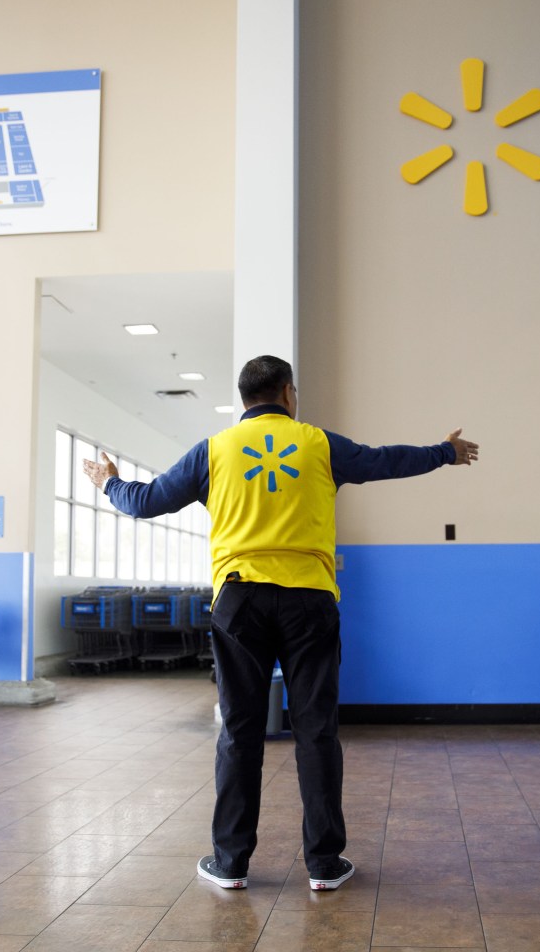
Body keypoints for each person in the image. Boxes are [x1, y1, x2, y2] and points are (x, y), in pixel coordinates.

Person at [83, 354, 478, 891]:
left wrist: (108, 482)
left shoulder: (215, 450)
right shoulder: (318, 444)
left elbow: (147, 501)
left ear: (245, 398)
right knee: (316, 732)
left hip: (239, 601)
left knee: (240, 732)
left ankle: (231, 863)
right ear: (288, 394)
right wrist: (444, 453)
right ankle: (323, 864)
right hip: (309, 602)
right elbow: (385, 461)